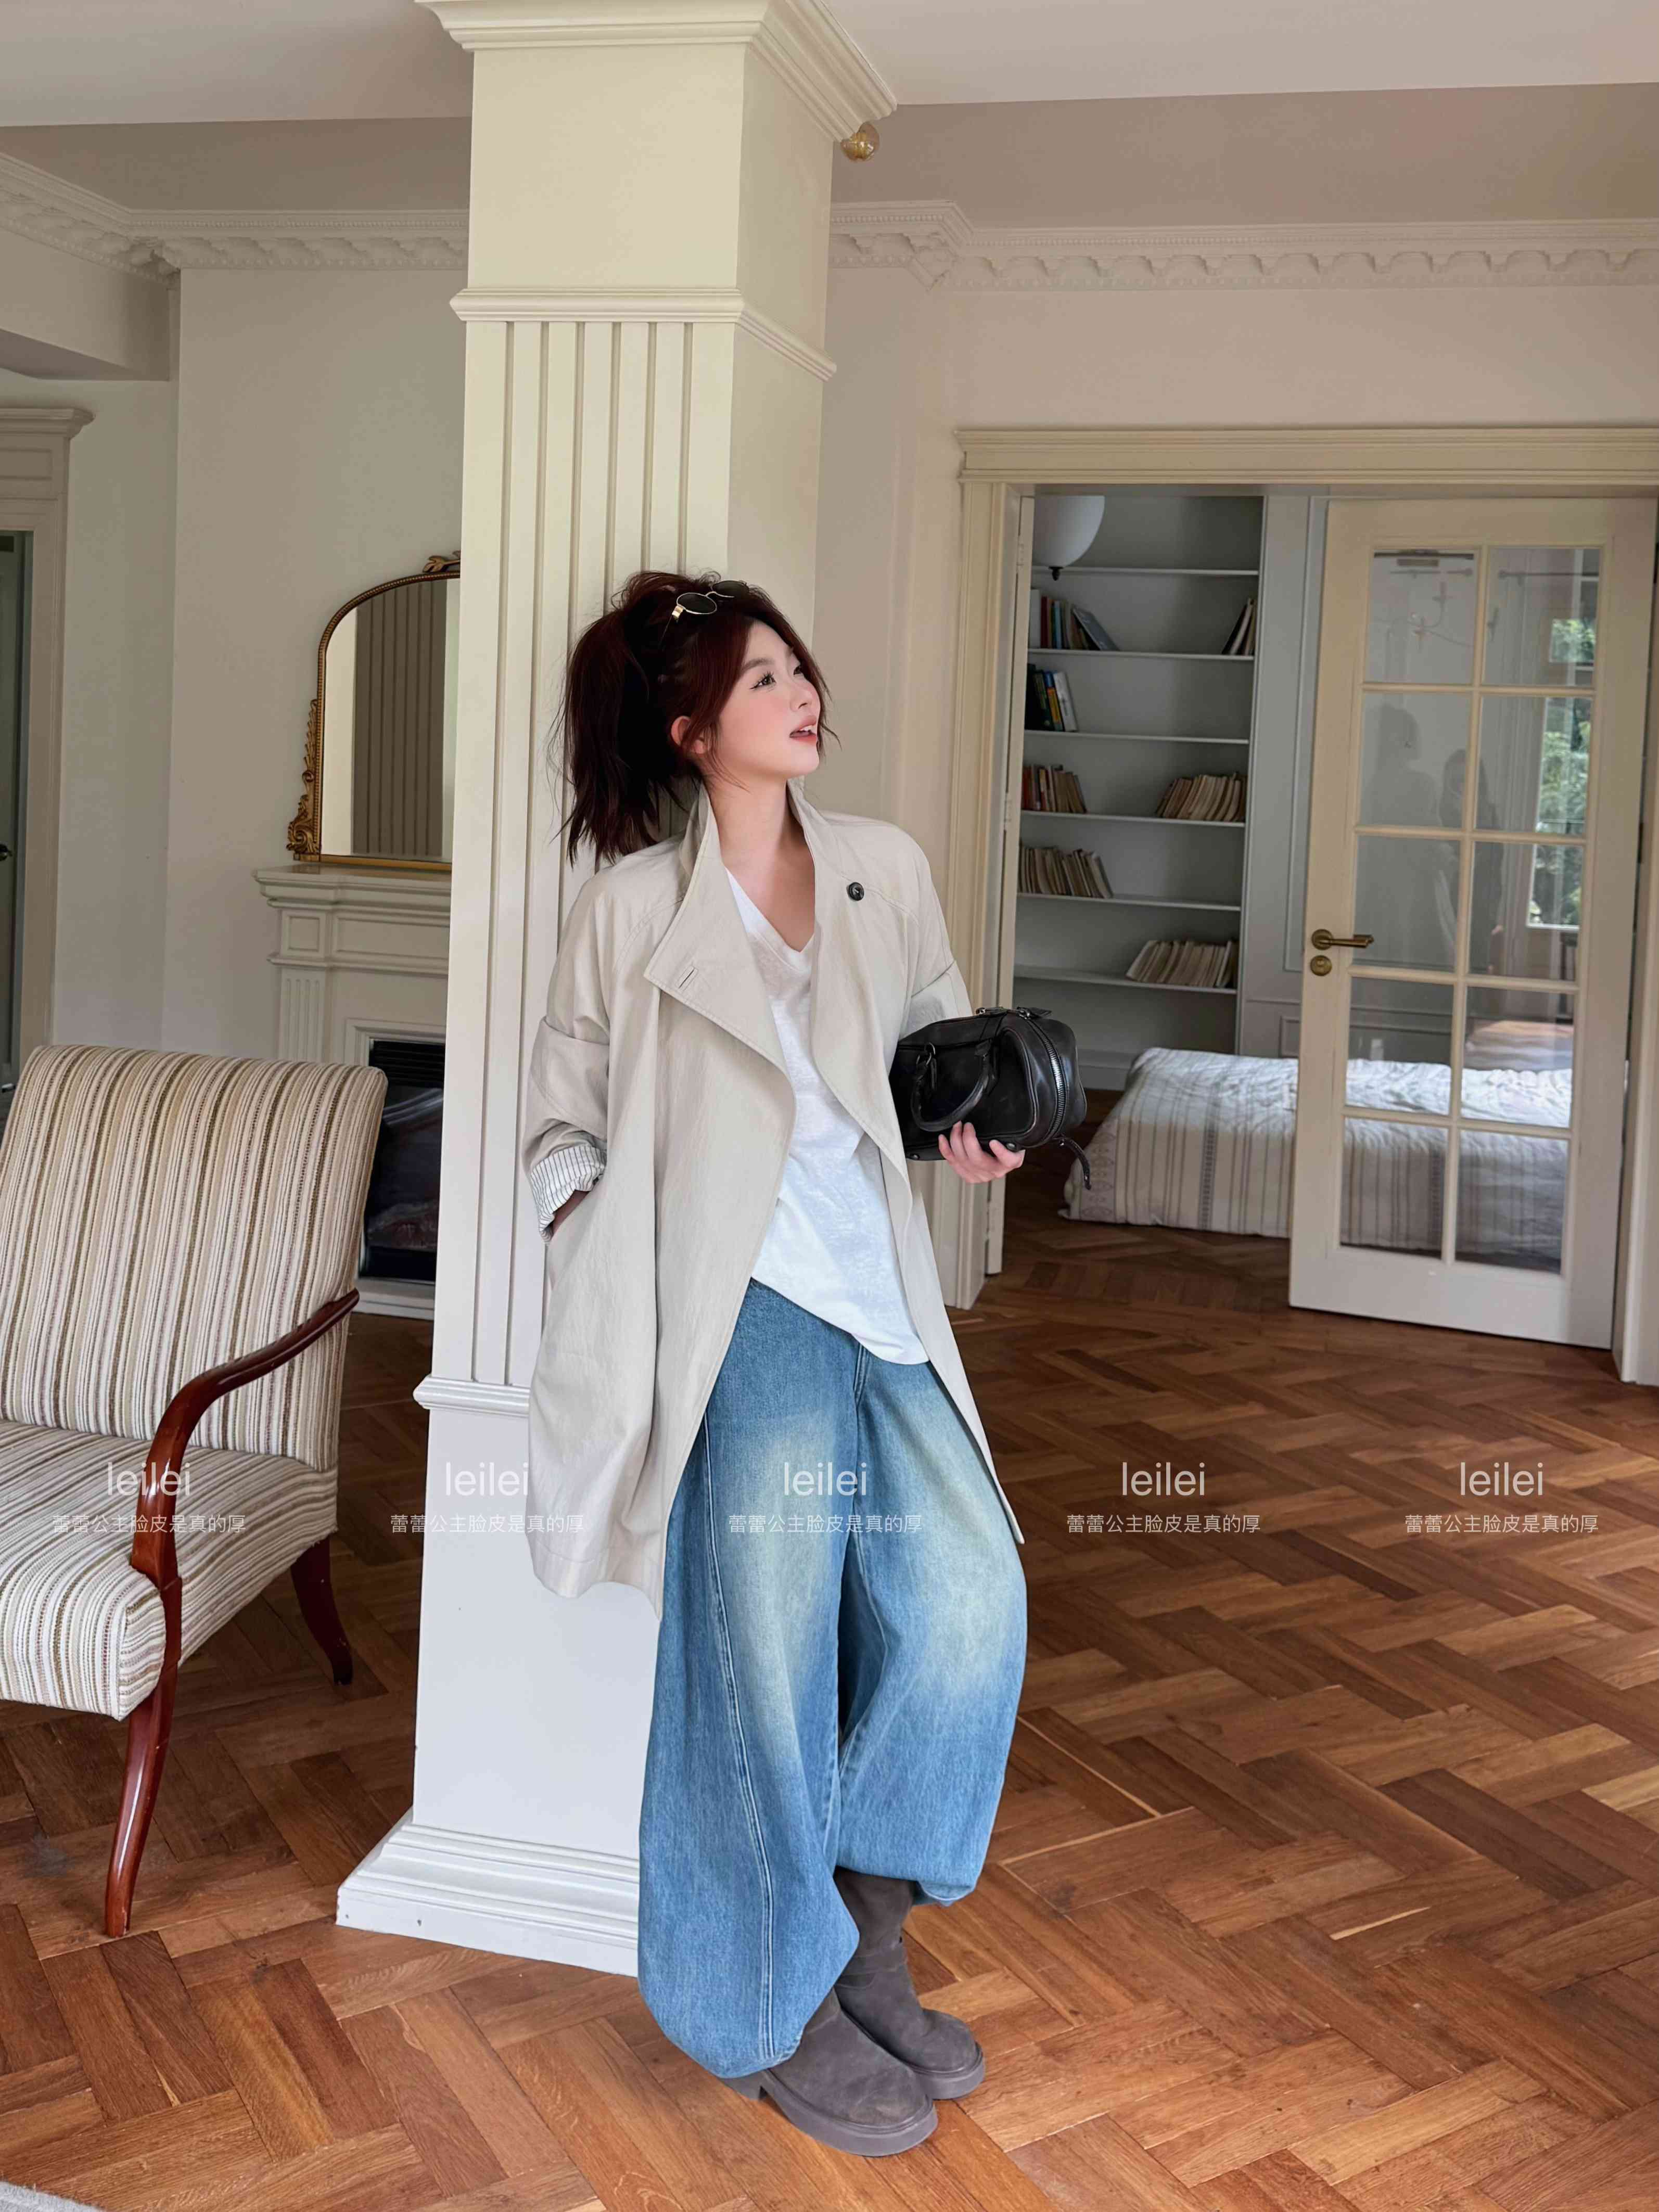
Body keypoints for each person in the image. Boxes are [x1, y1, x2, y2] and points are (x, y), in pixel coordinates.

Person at [523, 570, 1029, 2158]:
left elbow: (934, 1053)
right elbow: (558, 1118)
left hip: (880, 1291)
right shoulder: (629, 909)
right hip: (733, 1304)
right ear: (690, 731)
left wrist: (971, 1128)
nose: (802, 692)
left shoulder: (883, 866)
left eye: (797, 668)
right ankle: (766, 2002)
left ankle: (857, 1936)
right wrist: (590, 1224)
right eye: (761, 679)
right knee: (762, 1651)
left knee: (970, 1606)